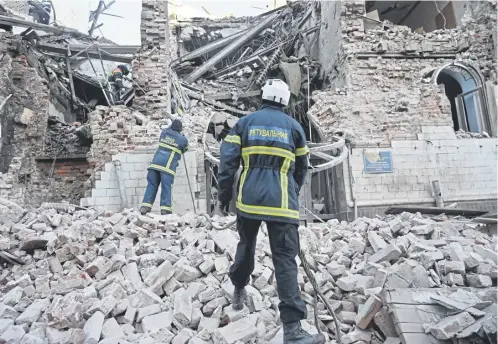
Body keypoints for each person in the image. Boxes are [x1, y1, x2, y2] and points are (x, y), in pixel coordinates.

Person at [216, 79, 324, 344]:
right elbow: (302, 168)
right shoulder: (295, 127)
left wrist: (223, 198)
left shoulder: (245, 123)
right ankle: (293, 330)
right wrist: (290, 192)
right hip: (283, 205)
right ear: (285, 101)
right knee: (285, 260)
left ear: (262, 96)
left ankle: (239, 290)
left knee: (246, 246)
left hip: (249, 202)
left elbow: (227, 162)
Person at [140, 119, 188, 215]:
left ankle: (145, 207)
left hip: (154, 165)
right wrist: (183, 136)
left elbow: (167, 130)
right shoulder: (182, 139)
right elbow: (185, 148)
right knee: (166, 187)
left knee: (151, 185)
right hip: (167, 167)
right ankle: (165, 209)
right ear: (180, 129)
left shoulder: (164, 133)